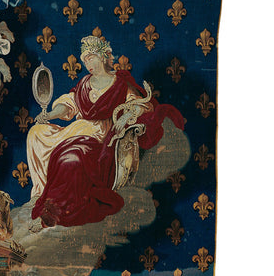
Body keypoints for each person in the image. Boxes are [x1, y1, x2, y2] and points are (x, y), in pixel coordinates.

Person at [27, 35, 185, 228]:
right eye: (85, 60)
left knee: (71, 158)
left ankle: (54, 210)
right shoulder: (84, 83)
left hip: (99, 139)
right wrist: (49, 115)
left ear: (102, 57)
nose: (87, 64)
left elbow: (140, 105)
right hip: (75, 132)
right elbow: (69, 104)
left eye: (90, 58)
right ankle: (40, 193)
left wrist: (127, 116)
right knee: (36, 133)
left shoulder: (119, 83)